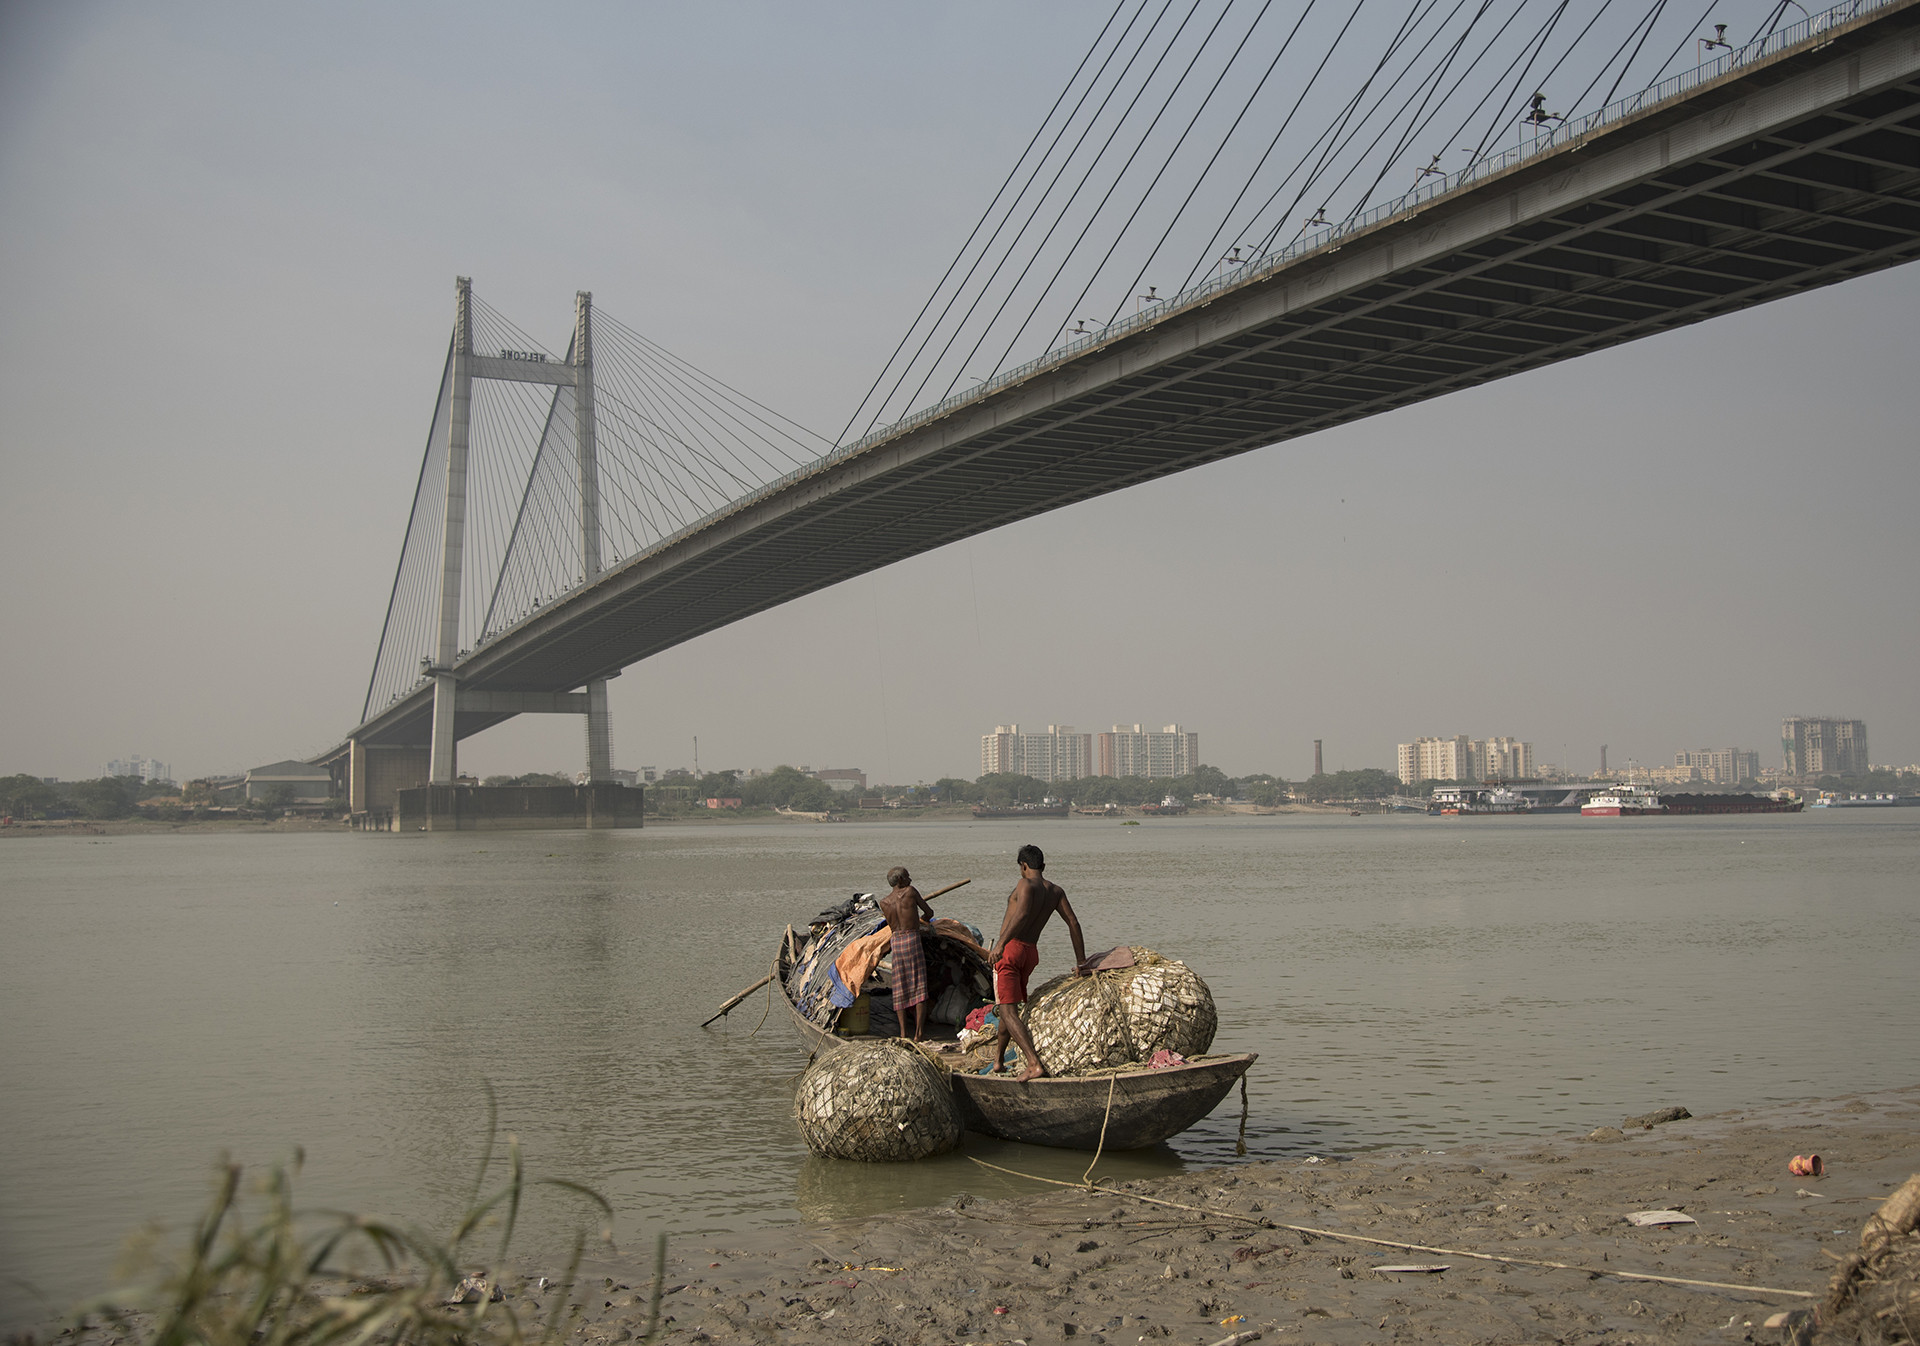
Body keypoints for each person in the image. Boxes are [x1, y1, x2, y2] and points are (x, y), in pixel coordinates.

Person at [987, 843, 1086, 1082]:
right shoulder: (1055, 891)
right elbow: (1073, 923)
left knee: (1007, 1009)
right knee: (1007, 1007)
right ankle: (998, 1061)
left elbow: (1021, 914)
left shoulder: (1025, 884)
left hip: (1011, 950)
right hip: (1030, 952)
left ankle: (1033, 1064)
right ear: (1043, 866)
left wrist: (1000, 944)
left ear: (1023, 866)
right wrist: (1082, 961)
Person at [881, 865, 936, 1040]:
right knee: (919, 985)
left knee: (899, 987)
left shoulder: (884, 903)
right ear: (900, 880)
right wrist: (922, 921)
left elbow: (891, 925)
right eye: (907, 877)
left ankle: (903, 1033)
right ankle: (919, 1033)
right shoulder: (910, 892)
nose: (910, 880)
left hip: (896, 941)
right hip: (912, 938)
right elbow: (929, 912)